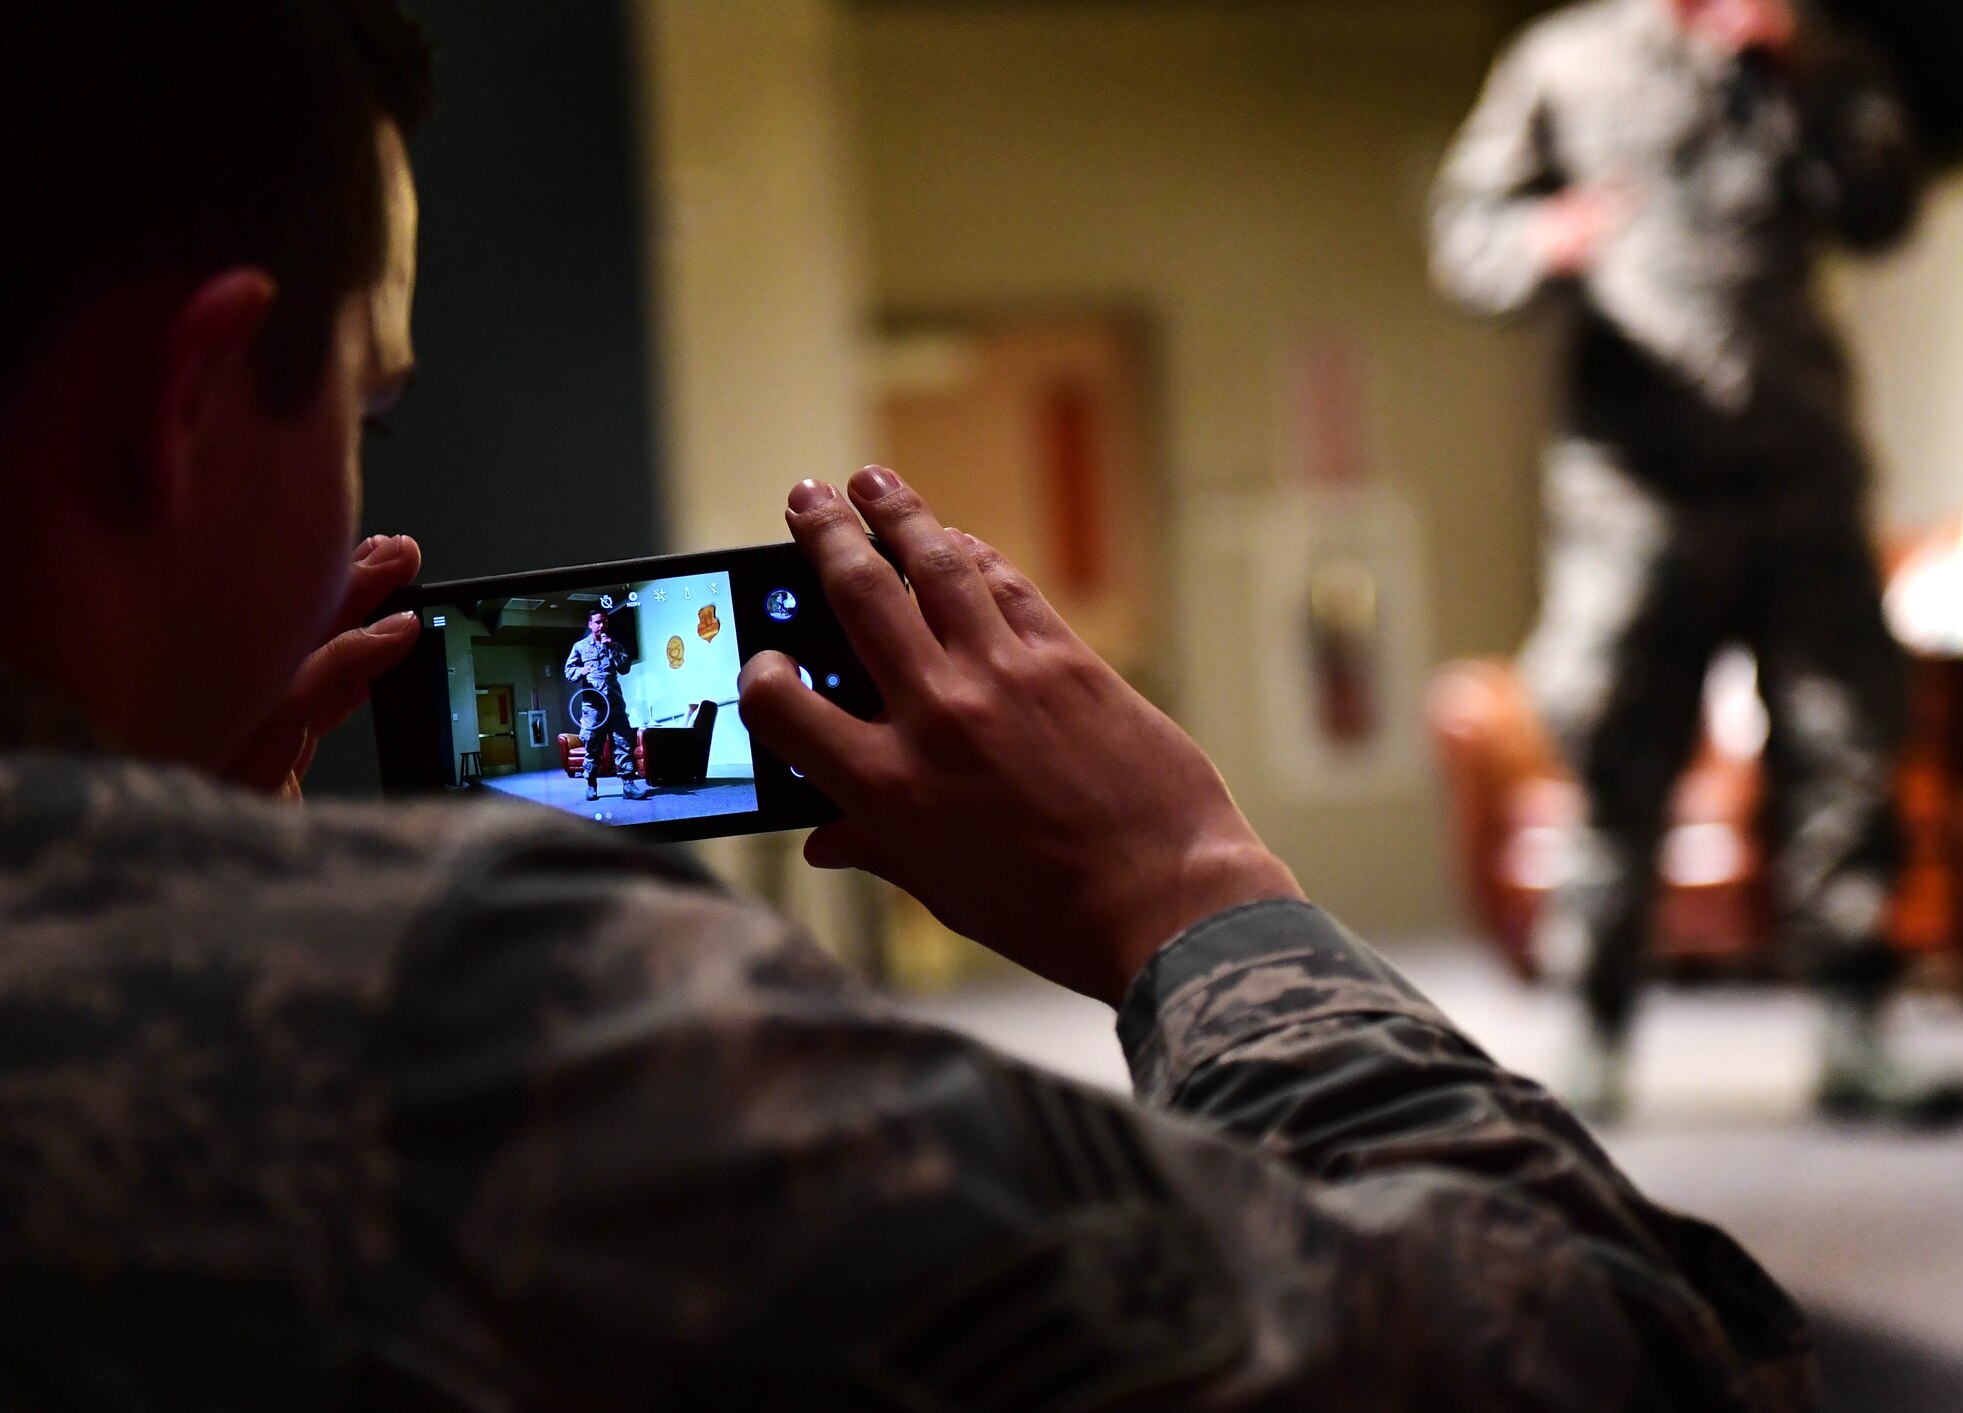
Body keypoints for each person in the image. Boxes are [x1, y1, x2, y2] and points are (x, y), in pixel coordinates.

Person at [0, 0, 1814, 1406]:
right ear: (190, 398)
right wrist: (1191, 887)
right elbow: (1624, 1350)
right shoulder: (460, 1015)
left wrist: (163, 831)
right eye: (359, 410)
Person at [1430, 0, 1962, 1122]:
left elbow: (1881, 217)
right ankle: (1594, 1026)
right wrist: (1541, 243)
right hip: (1637, 486)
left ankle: (1854, 1027)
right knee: (1615, 748)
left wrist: (1799, 82)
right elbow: (1466, 233)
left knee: (1842, 747)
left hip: (1800, 467)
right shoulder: (1563, 62)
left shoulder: (1822, 58)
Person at [565, 607, 642, 801]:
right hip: (593, 708)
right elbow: (569, 671)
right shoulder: (580, 647)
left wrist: (613, 648)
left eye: (605, 622)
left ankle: (628, 785)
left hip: (615, 704)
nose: (602, 625)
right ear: (590, 625)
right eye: (598, 622)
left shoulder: (615, 645)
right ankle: (591, 785)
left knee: (623, 743)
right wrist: (581, 671)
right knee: (592, 746)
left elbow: (625, 668)